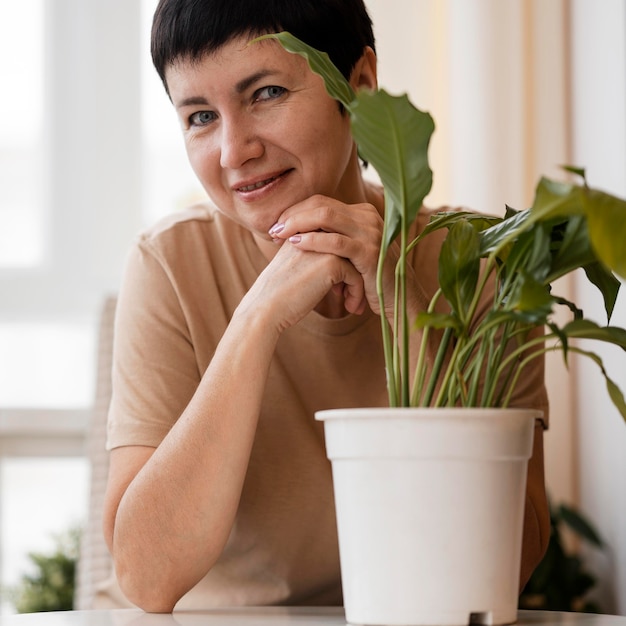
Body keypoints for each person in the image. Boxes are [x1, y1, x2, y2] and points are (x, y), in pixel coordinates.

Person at [101, 0, 550, 613]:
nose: (234, 152)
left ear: (359, 85)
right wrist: (257, 319)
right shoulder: (169, 265)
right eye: (201, 116)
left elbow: (511, 559)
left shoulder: (475, 266)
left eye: (265, 93)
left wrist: (401, 300)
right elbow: (146, 579)